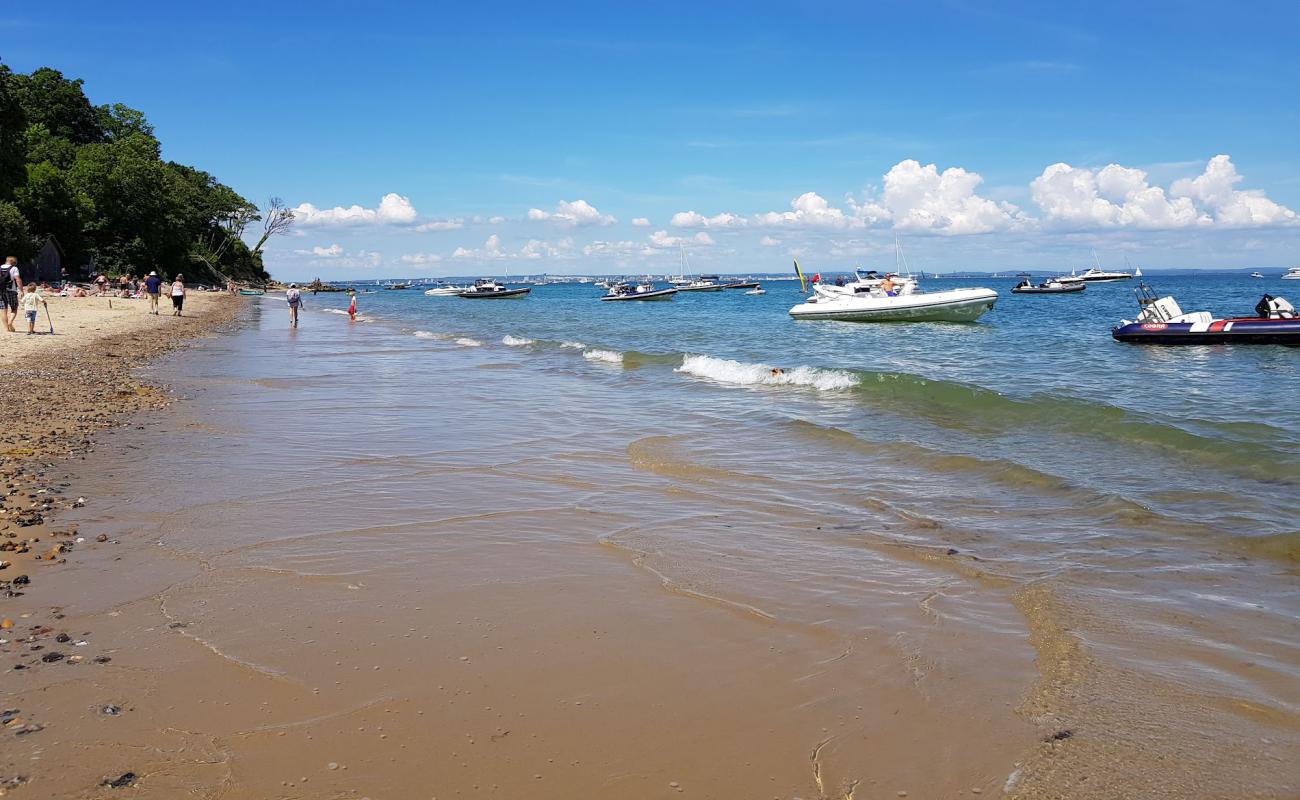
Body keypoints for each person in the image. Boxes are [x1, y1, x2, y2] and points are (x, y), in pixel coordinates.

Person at [1, 255, 21, 332]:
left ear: (6, 260)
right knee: (14, 308)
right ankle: (10, 322)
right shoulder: (14, 268)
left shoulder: (0, 267)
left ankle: (6, 329)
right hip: (11, 291)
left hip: (1, 291)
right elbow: (17, 279)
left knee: (3, 310)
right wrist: (21, 290)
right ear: (14, 262)